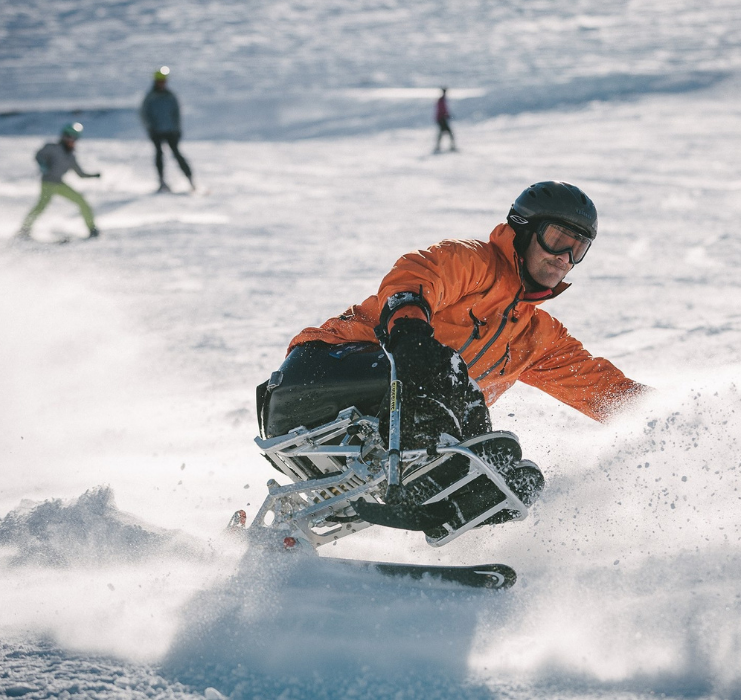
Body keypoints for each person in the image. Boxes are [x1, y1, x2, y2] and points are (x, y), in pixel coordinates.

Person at [259, 182, 649, 525]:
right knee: (450, 376)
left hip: (366, 437)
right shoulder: (475, 262)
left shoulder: (535, 335)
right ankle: (438, 479)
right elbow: (415, 276)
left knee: (500, 459)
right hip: (316, 379)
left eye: (578, 248)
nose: (564, 257)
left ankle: (459, 505)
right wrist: (410, 331)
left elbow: (602, 388)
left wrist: (673, 423)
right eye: (557, 239)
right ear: (523, 230)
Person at [18, 123, 101, 240]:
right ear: (64, 136)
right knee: (41, 206)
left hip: (59, 184)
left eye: (74, 138)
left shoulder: (70, 157)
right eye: (69, 137)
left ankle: (92, 229)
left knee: (82, 202)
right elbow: (39, 155)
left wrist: (93, 176)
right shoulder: (52, 148)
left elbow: (80, 174)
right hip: (48, 183)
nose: (71, 140)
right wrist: (43, 165)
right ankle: (24, 229)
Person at [140, 66, 195, 192]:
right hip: (156, 131)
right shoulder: (150, 97)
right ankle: (162, 181)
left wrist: (177, 129)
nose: (162, 84)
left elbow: (176, 113)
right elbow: (144, 113)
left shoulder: (170, 96)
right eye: (160, 81)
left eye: (164, 81)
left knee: (177, 154)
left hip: (170, 131)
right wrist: (150, 127)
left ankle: (190, 179)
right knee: (159, 155)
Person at [434, 87, 457, 153]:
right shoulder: (441, 100)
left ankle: (438, 146)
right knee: (449, 132)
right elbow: (442, 110)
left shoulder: (442, 100)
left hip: (441, 119)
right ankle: (451, 146)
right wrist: (445, 115)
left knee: (442, 133)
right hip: (442, 119)